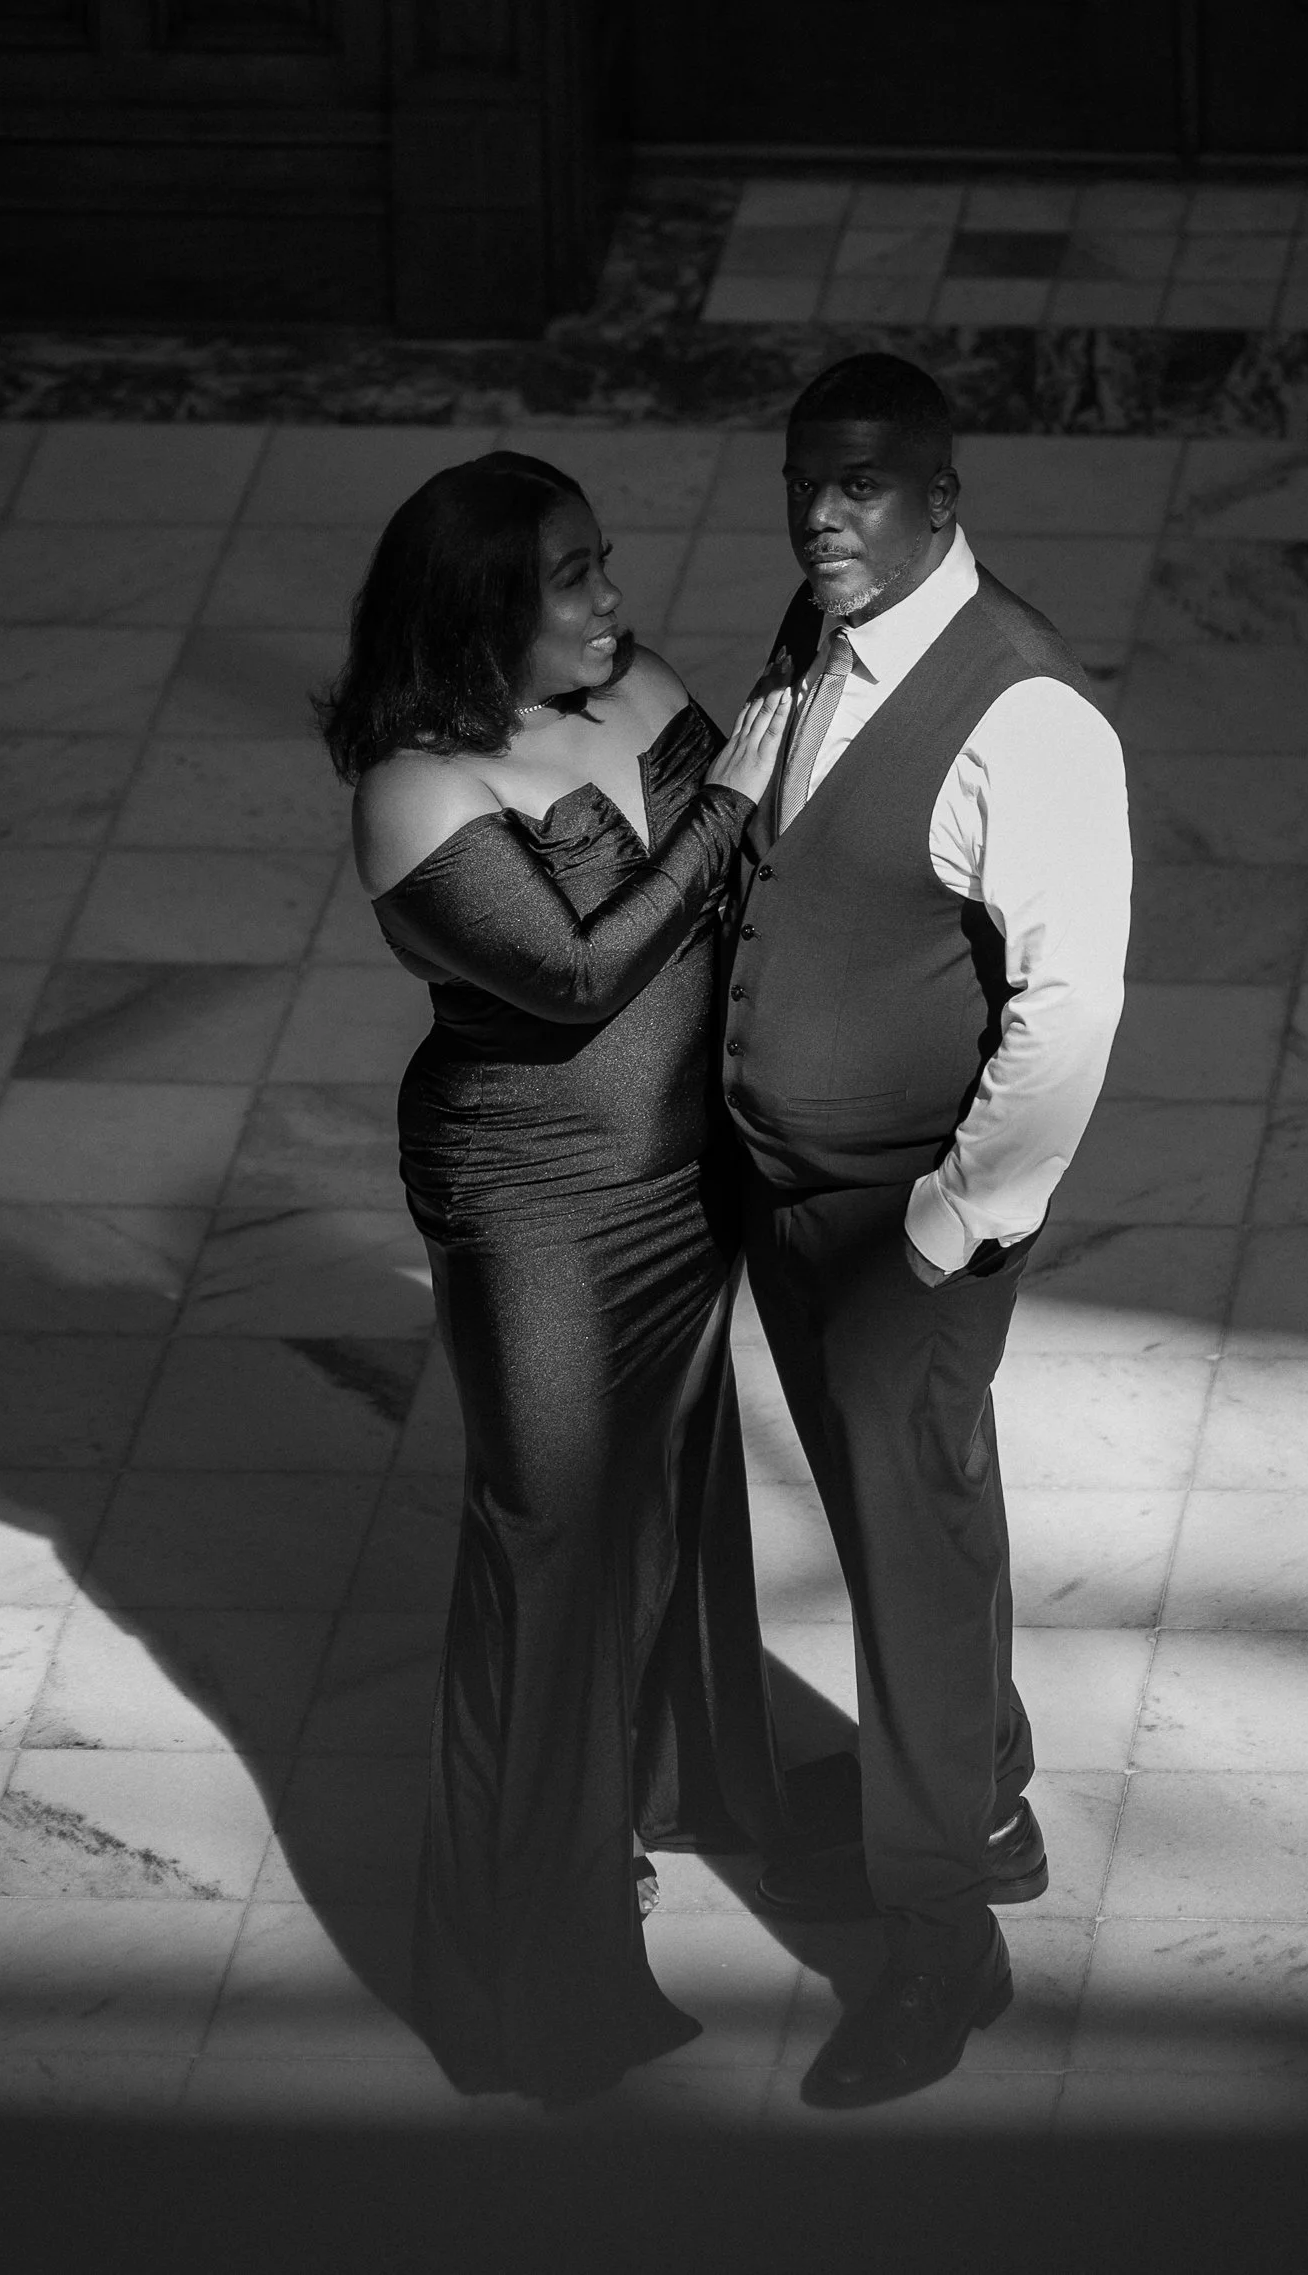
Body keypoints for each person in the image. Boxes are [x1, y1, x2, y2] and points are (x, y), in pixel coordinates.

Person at [320, 450, 797, 2107]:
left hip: (688, 1183)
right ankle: (526, 1951)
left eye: (603, 562)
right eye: (572, 578)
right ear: (482, 616)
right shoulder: (413, 787)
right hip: (538, 1206)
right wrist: (734, 795)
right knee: (544, 1540)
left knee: (662, 1500)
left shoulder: (635, 677)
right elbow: (585, 971)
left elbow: (754, 894)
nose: (611, 597)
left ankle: (654, 1798)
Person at [721, 355, 1133, 2110]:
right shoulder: (817, 632)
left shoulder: (1025, 711)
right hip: (789, 1197)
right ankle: (988, 1785)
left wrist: (959, 1222)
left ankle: (940, 1939)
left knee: (911, 1553)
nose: (826, 512)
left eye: (866, 485)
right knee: (908, 1523)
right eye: (809, 480)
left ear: (943, 502)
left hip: (908, 1225)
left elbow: (1072, 1003)